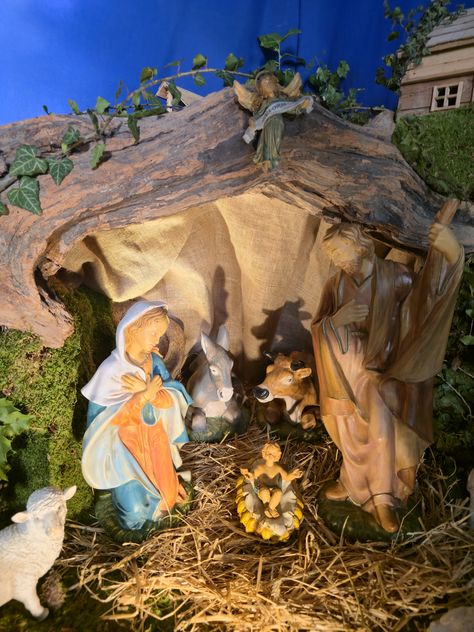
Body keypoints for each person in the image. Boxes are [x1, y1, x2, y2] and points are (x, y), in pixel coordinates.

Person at [311, 219, 463, 532]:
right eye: (333, 257)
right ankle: (351, 483)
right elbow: (318, 327)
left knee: (381, 431)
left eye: (340, 252)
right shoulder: (336, 286)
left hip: (382, 372)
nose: (338, 261)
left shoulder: (395, 277)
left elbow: (427, 300)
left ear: (358, 245)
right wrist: (336, 321)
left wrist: (450, 255)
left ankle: (382, 499)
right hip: (343, 370)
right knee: (349, 428)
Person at [81, 301, 192, 530]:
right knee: (133, 512)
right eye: (153, 333)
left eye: (160, 335)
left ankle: (167, 494)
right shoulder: (111, 371)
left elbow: (170, 399)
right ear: (132, 329)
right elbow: (105, 423)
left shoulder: (154, 362)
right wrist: (142, 397)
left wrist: (149, 394)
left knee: (169, 497)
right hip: (125, 449)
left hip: (155, 438)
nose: (157, 340)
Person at [241, 443, 303, 518]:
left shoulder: (278, 468)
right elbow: (253, 476)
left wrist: (294, 475)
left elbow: (286, 478)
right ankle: (269, 508)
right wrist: (248, 475)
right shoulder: (261, 468)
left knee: (278, 493)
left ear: (278, 455)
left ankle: (269, 508)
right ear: (264, 453)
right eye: (268, 453)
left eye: (273, 454)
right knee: (265, 491)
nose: (270, 455)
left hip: (274, 488)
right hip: (261, 488)